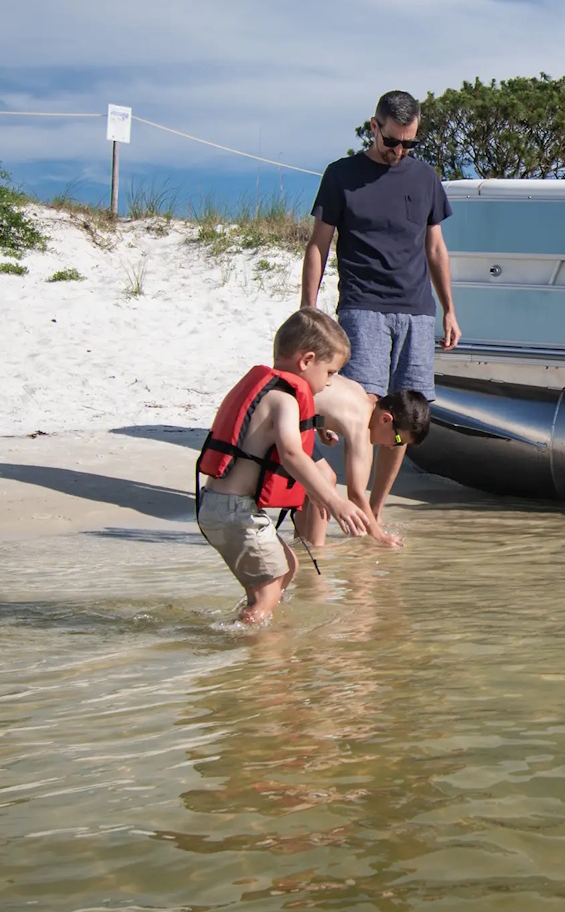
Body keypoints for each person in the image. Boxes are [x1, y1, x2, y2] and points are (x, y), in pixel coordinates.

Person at [302, 90, 461, 530]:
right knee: (363, 408)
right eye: (392, 141)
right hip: (363, 306)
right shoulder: (342, 175)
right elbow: (318, 245)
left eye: (409, 143)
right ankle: (344, 502)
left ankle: (374, 512)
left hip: (417, 311)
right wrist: (307, 311)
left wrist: (449, 309)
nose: (399, 151)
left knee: (406, 414)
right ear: (374, 127)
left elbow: (435, 249)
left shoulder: (426, 178)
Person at [195, 308, 368, 625]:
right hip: (235, 511)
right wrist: (335, 501)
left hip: (219, 506)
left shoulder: (271, 393)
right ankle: (250, 640)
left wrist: (313, 429)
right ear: (307, 360)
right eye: (330, 372)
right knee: (268, 593)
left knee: (288, 567)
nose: (330, 383)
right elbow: (291, 454)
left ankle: (255, 629)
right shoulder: (283, 399)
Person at [296, 376, 432, 549]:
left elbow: (320, 396)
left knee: (311, 486)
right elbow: (356, 494)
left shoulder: (360, 394)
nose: (392, 447)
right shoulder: (361, 424)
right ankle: (317, 551)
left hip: (281, 404)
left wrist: (319, 424)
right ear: (385, 419)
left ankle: (300, 546)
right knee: (324, 479)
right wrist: (380, 537)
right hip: (281, 414)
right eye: (398, 440)